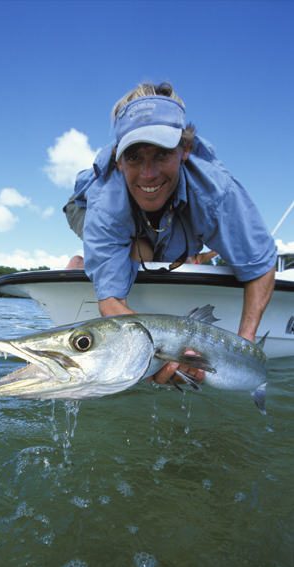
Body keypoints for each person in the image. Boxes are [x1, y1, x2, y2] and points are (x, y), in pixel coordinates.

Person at [63, 82, 276, 386]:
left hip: (167, 214)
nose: (148, 173)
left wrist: (245, 344)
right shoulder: (105, 203)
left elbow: (260, 264)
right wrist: (146, 360)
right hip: (86, 210)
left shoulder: (215, 192)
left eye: (162, 154)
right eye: (135, 157)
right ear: (119, 160)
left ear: (185, 149)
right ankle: (83, 264)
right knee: (141, 252)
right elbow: (111, 304)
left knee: (162, 252)